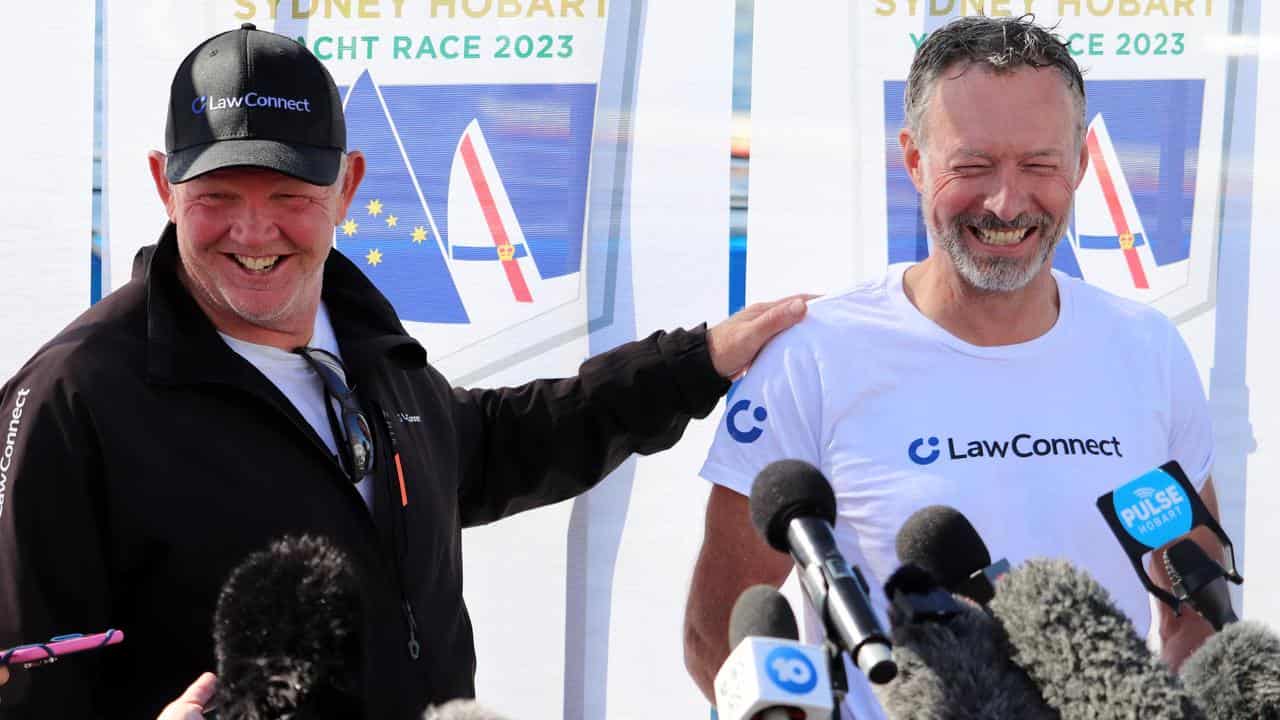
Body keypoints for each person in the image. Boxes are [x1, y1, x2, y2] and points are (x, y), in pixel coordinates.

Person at [0, 23, 807, 719]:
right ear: (162, 185)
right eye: (217, 193)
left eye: (289, 191)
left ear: (346, 186)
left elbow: (489, 448)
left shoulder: (362, 343)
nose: (253, 229)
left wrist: (695, 363)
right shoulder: (73, 399)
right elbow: (25, 676)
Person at [683, 14, 1220, 719]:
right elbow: (718, 631)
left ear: (1082, 163)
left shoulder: (1149, 350)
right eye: (972, 166)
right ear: (914, 160)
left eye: (1039, 165)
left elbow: (1196, 610)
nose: (1006, 201)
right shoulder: (811, 358)